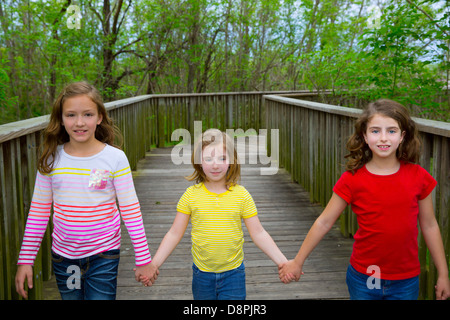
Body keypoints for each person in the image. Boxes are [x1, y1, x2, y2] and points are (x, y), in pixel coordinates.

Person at [279, 99, 450, 300]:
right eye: (375, 131)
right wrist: (298, 261)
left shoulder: (418, 177)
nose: (383, 138)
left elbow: (429, 225)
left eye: (392, 131)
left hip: (405, 280)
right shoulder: (352, 179)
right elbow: (324, 222)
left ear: (402, 136)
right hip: (364, 277)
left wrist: (444, 273)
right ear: (365, 136)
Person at [15, 81, 154, 300]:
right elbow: (39, 212)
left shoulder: (114, 158)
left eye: (88, 115)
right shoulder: (52, 159)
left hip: (104, 254)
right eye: (71, 115)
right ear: (61, 119)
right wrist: (25, 260)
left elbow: (130, 209)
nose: (79, 122)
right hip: (63, 258)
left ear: (99, 117)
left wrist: (143, 259)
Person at [140, 129, 287, 299]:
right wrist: (154, 264)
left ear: (231, 161)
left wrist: (283, 261)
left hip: (234, 275)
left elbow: (259, 233)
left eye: (222, 158)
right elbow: (174, 233)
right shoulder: (191, 195)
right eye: (208, 159)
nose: (215, 164)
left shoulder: (241, 195)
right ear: (199, 162)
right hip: (202, 275)